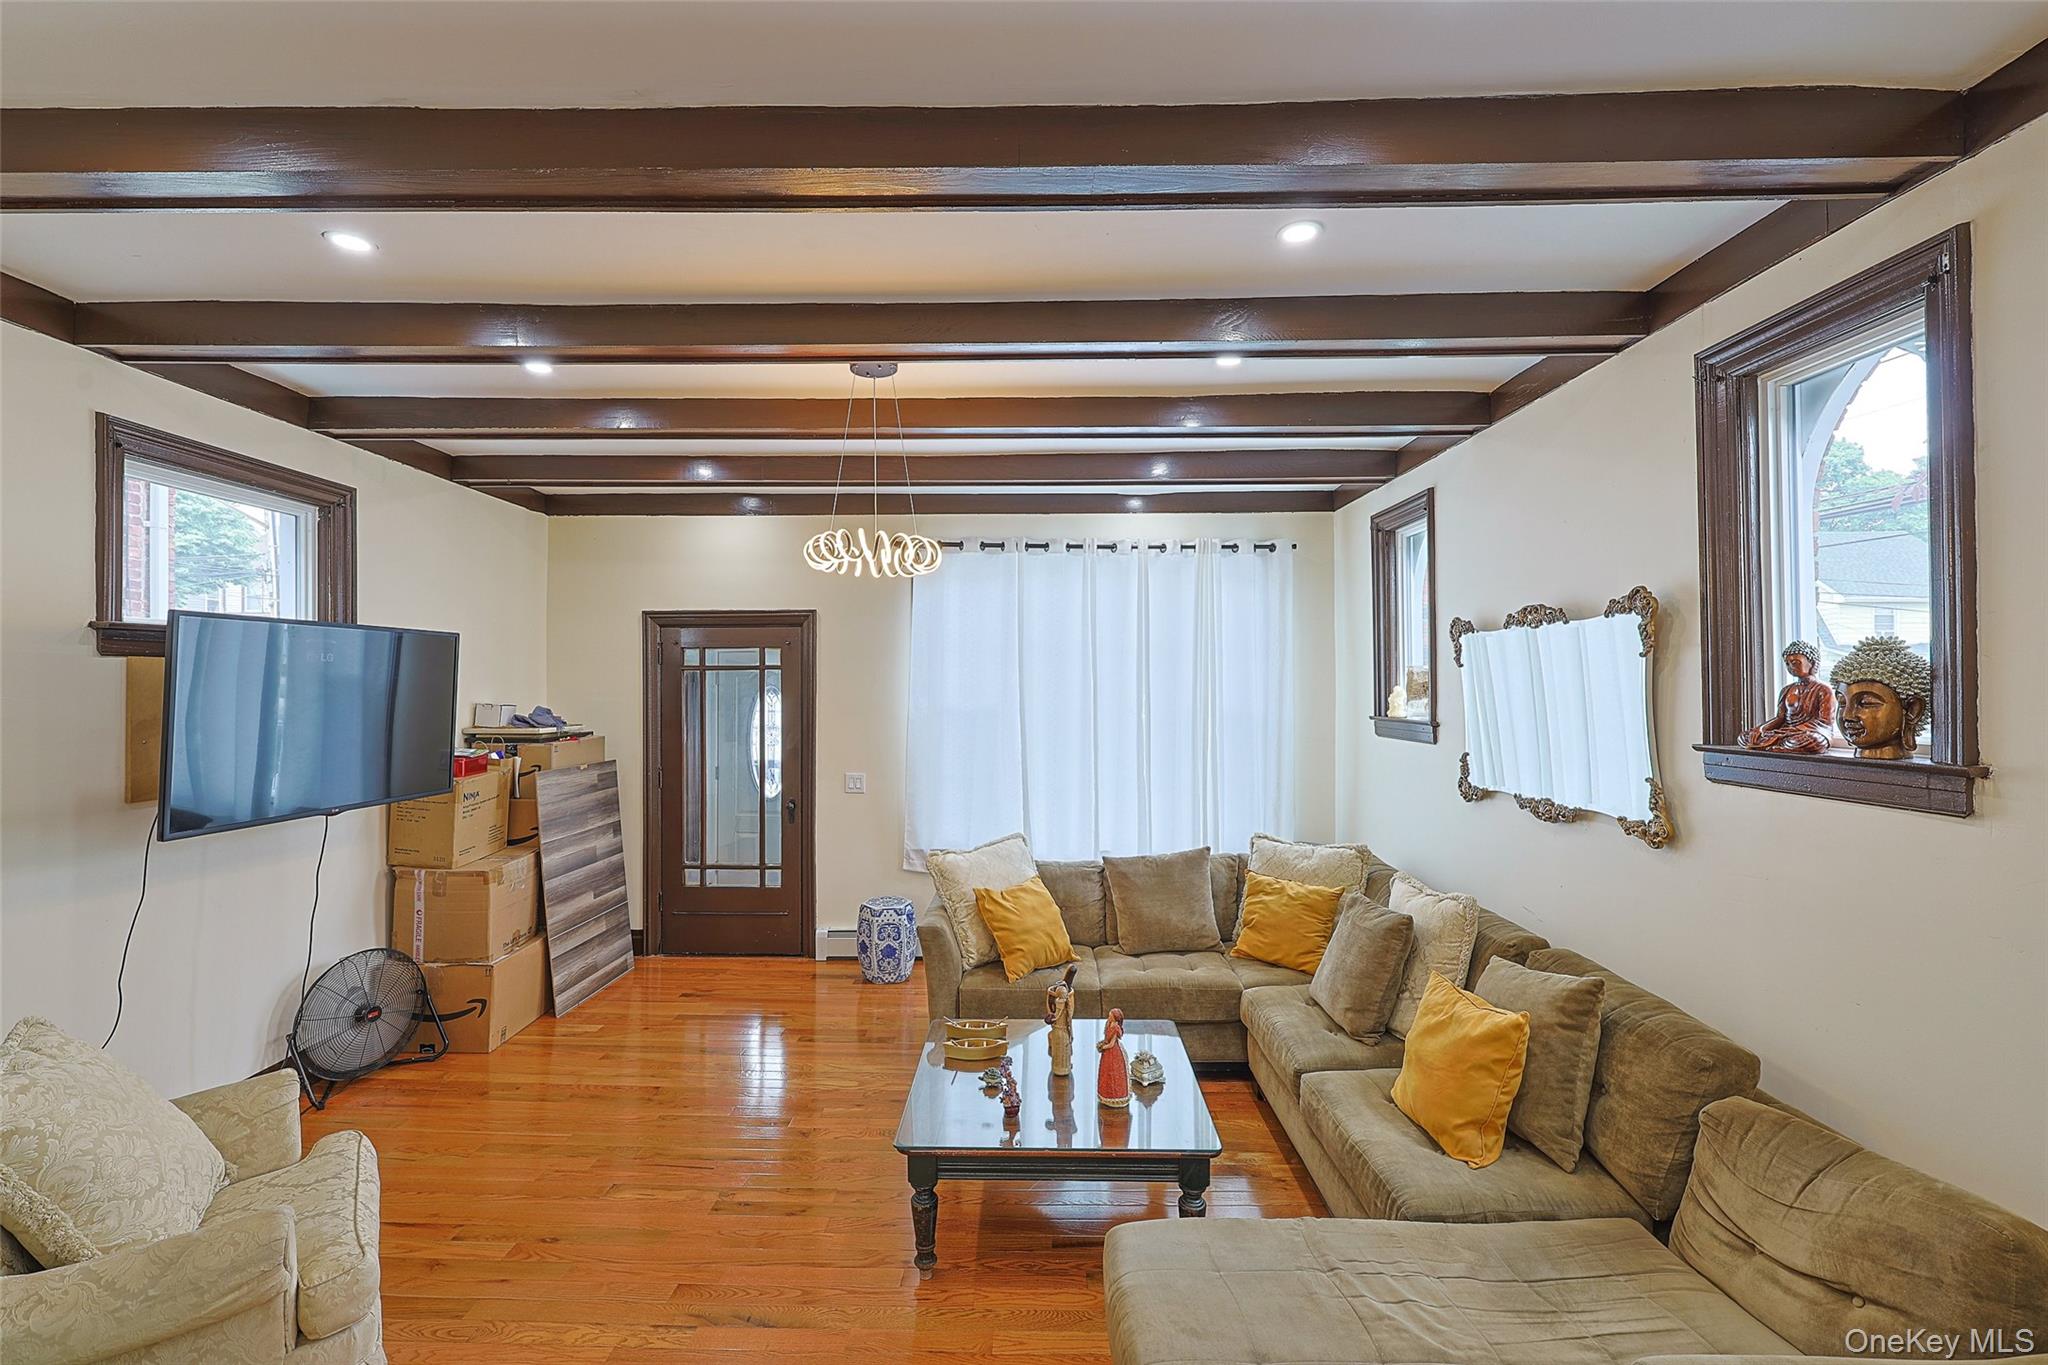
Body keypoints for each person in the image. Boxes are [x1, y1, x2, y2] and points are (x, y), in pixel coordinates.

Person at [1738, 641, 1837, 752]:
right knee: (1745, 737)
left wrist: (1794, 730)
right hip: (1785, 732)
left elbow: (1824, 721)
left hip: (1810, 733)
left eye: (1795, 663)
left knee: (1811, 741)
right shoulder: (1787, 690)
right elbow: (1780, 718)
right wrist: (1760, 729)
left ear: (1812, 663)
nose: (1791, 667)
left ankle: (1782, 746)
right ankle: (1781, 745)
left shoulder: (1823, 690)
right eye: (1787, 664)